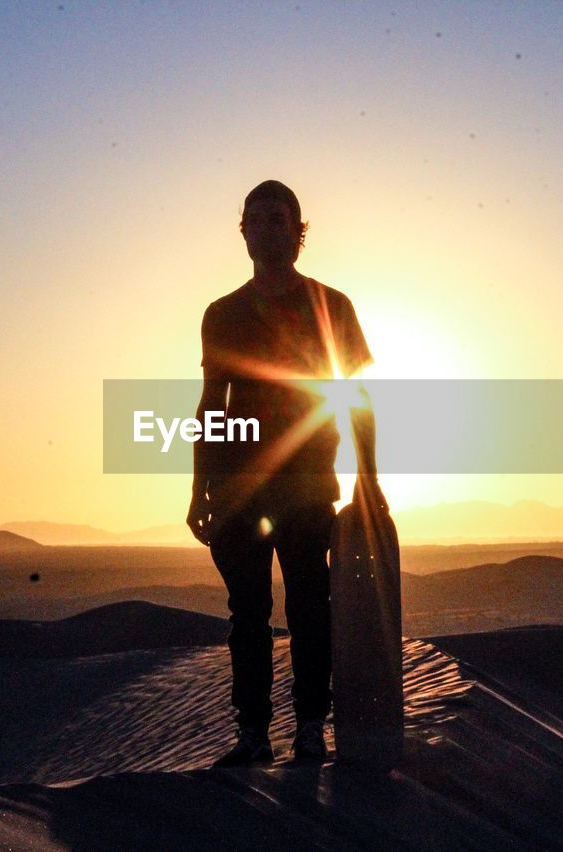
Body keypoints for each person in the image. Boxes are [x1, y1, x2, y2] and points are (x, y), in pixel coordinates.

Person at [187, 180, 376, 766]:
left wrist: (370, 481)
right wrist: (199, 486)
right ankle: (253, 733)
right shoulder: (221, 315)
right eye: (256, 218)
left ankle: (312, 727)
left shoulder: (332, 306)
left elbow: (357, 397)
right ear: (242, 231)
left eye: (278, 217)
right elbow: (210, 405)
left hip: (307, 483)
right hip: (240, 489)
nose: (267, 228)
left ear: (299, 230)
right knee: (247, 613)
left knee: (308, 608)